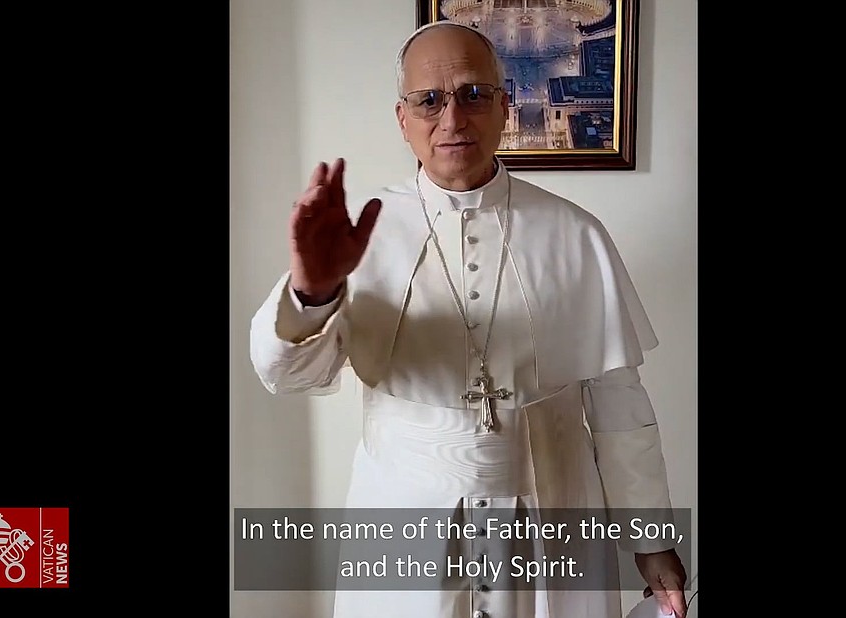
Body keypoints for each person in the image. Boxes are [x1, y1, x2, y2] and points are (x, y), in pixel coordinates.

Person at [249, 20, 689, 618]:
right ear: (402, 119)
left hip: (554, 511)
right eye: (428, 100)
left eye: (474, 94)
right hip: (402, 512)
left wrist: (653, 541)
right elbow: (289, 376)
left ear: (505, 107)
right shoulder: (356, 236)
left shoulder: (576, 232)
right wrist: (313, 290)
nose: (452, 118)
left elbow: (618, 403)